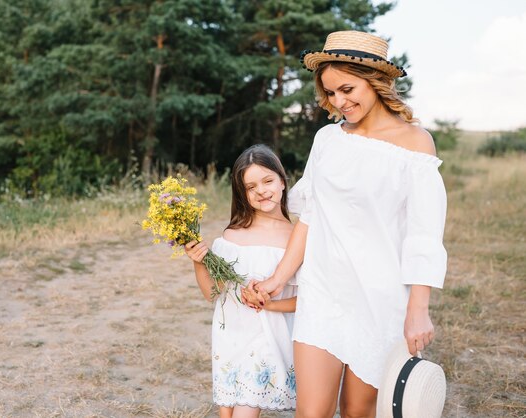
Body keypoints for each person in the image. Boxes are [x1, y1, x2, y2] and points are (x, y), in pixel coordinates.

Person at [253, 30, 448, 418]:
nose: (338, 102)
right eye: (330, 94)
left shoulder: (415, 144)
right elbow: (311, 217)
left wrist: (417, 308)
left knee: (358, 412)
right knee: (311, 413)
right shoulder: (327, 139)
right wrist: (277, 279)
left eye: (347, 89)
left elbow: (423, 235)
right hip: (322, 293)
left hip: (379, 298)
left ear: (375, 82)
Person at [185, 144, 298, 418]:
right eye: (251, 187)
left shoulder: (296, 239)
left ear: (282, 181)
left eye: (268, 180)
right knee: (227, 412)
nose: (261, 191)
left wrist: (267, 304)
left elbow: (306, 300)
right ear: (242, 194)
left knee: (243, 412)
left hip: (269, 336)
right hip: (231, 336)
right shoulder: (232, 236)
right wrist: (199, 262)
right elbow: (214, 294)